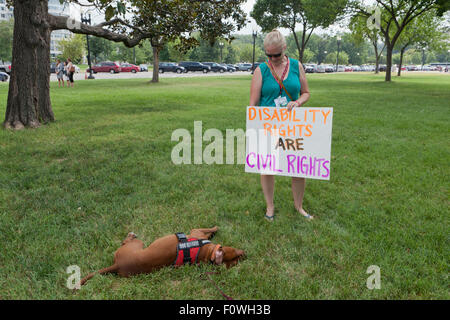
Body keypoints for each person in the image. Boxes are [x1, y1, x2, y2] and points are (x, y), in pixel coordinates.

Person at [249, 29, 312, 222]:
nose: (273, 58)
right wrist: (255, 127)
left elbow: (306, 93)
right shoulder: (261, 70)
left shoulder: (296, 66)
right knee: (268, 167)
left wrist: (298, 102)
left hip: (293, 125)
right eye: (268, 54)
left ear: (285, 48)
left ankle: (298, 206)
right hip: (268, 126)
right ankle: (270, 206)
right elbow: (253, 104)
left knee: (297, 167)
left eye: (276, 54)